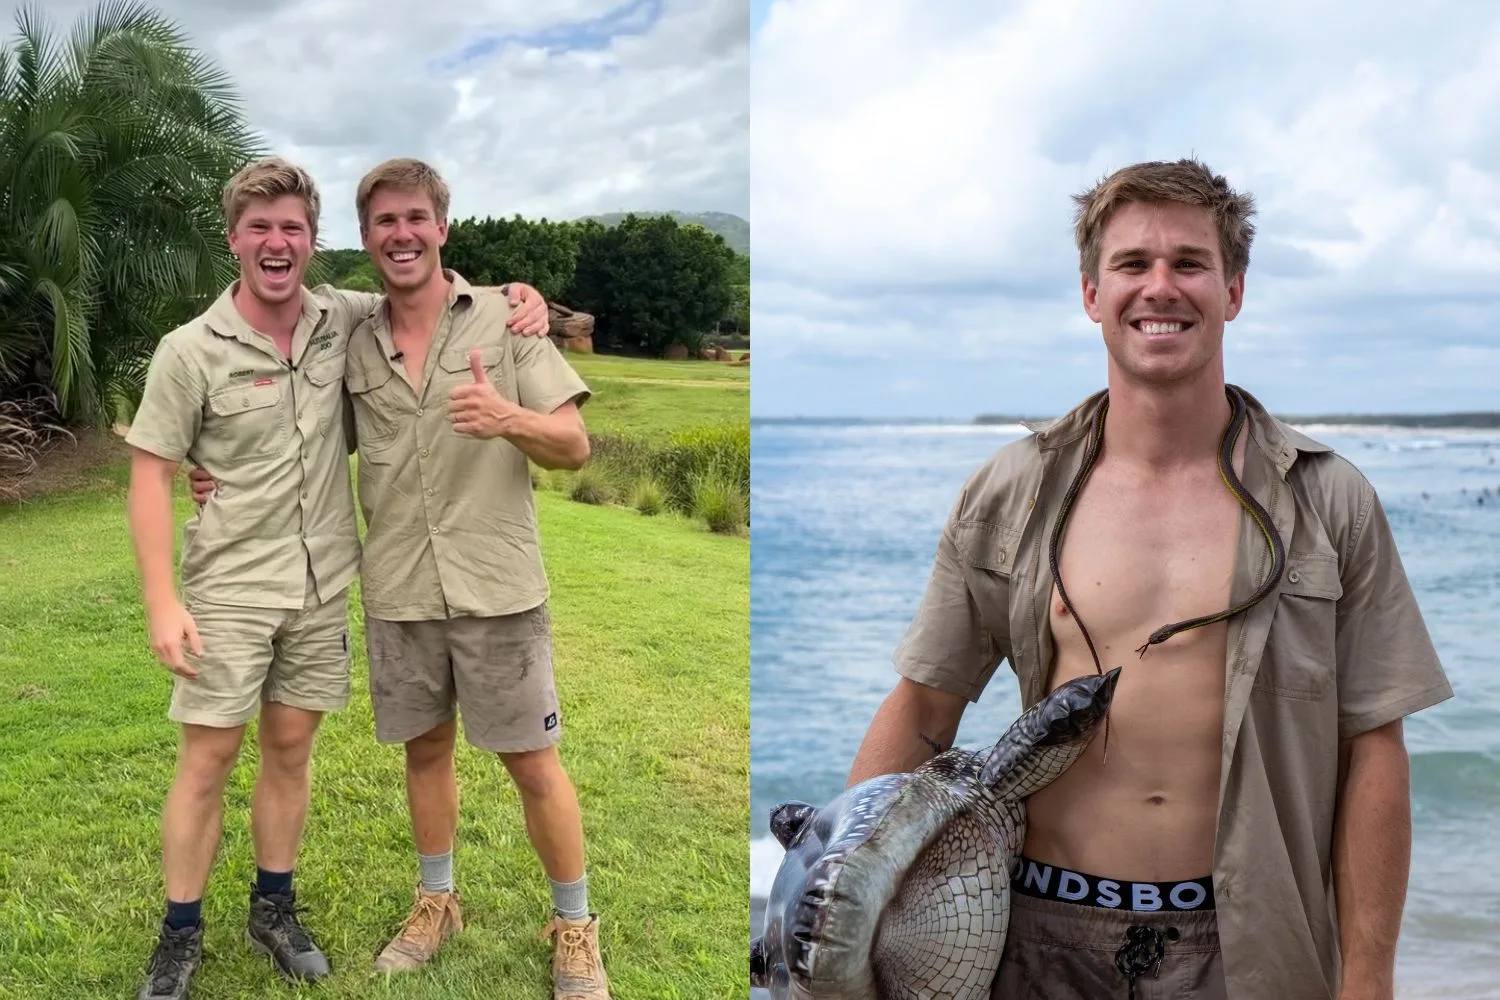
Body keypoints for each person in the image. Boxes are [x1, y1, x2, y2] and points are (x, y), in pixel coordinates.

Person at [844, 158, 1452, 1000]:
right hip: (1032, 938)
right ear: (1092, 294)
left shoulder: (1329, 500)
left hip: (1247, 947)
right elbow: (922, 708)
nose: (1159, 287)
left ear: (1233, 290)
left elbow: (1373, 750)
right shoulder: (1011, 490)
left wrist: (1369, 980)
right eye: (1132, 264)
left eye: (1189, 263)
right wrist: (837, 899)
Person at [125, 156, 548, 1000]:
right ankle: (180, 933)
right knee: (206, 759)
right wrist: (163, 600)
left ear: (314, 242)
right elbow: (150, 473)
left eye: (291, 229)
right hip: (230, 589)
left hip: (323, 588)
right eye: (260, 229)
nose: (276, 244)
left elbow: (431, 288)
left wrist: (519, 292)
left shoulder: (344, 319)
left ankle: (272, 907)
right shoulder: (188, 351)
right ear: (234, 239)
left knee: (291, 749)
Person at [335, 158, 608, 1000]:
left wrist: (508, 418)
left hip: (498, 586)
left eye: (416, 217)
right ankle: (437, 900)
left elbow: (571, 447)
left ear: (443, 226)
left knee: (534, 763)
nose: (402, 233)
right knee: (426, 753)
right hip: (401, 586)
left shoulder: (506, 320)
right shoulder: (350, 335)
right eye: (385, 221)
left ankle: (574, 927)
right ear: (366, 236)